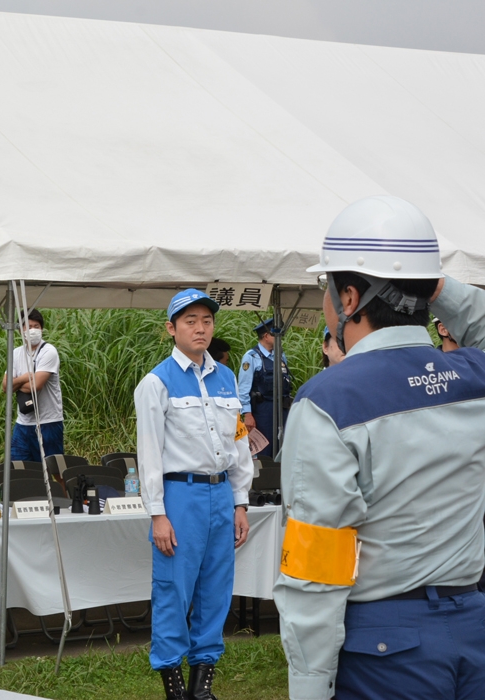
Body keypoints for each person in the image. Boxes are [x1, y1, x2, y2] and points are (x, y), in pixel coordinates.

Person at [273, 195, 485, 700]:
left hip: (386, 647)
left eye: (324, 288)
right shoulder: (472, 379)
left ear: (349, 299)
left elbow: (316, 568)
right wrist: (435, 287)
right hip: (473, 632)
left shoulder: (329, 401)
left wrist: (308, 685)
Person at [134, 289, 252, 700]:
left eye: (206, 320)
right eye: (190, 321)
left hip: (220, 495)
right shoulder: (156, 382)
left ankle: (202, 685)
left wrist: (240, 501)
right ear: (172, 328)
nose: (200, 328)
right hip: (178, 495)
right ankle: (173, 685)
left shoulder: (226, 377)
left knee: (216, 588)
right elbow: (148, 453)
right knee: (173, 588)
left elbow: (238, 446)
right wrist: (157, 513)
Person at [3, 309, 64, 461]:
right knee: (18, 467)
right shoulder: (16, 353)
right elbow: (5, 387)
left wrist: (16, 384)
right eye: (29, 326)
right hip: (22, 424)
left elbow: (36, 385)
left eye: (37, 326)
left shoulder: (49, 352)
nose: (33, 330)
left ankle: (62, 486)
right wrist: (24, 378)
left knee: (54, 469)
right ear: (20, 330)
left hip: (48, 422)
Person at [237, 318, 293, 456]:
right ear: (267, 336)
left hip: (282, 409)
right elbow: (243, 389)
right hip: (263, 411)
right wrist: (247, 414)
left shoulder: (280, 356)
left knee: (283, 448)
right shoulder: (251, 357)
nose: (280, 339)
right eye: (276, 335)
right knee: (264, 450)